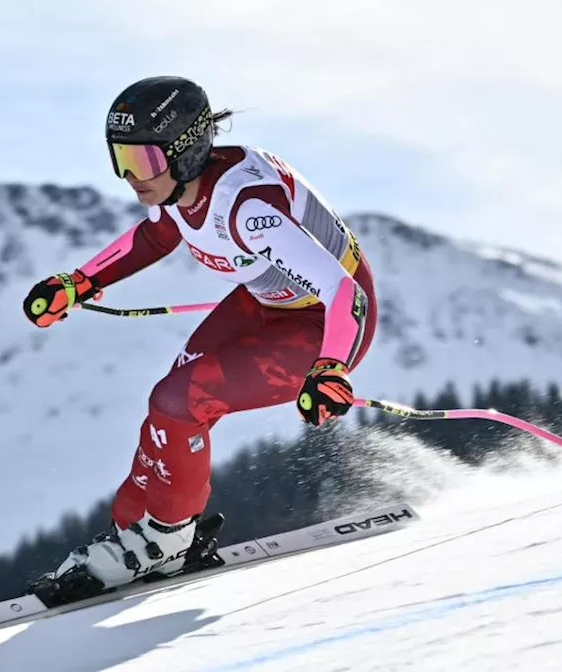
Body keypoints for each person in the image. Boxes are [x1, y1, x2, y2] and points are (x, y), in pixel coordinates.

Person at [22, 75, 379, 592]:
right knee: (171, 399)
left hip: (325, 326)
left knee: (180, 400)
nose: (130, 178)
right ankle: (136, 529)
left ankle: (165, 540)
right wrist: (80, 282)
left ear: (184, 150)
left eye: (141, 162)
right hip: (265, 303)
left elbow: (345, 292)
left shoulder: (248, 211)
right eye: (120, 160)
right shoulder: (179, 184)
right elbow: (156, 233)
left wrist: (330, 367)